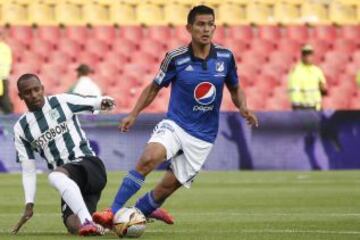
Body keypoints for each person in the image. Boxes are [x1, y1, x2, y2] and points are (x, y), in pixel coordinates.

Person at [93, 5, 258, 228]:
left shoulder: (226, 57)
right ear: (189, 28)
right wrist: (133, 114)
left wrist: (243, 107)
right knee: (149, 157)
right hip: (176, 124)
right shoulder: (175, 58)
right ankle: (111, 213)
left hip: (203, 136)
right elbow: (153, 88)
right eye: (201, 24)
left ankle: (137, 214)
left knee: (166, 188)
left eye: (210, 24)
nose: (206, 29)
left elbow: (235, 88)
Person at [12, 73, 114, 236]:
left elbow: (95, 101)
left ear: (42, 89)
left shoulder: (62, 101)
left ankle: (88, 221)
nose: (34, 95)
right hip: (69, 182)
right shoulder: (21, 128)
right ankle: (115, 221)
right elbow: (29, 170)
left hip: (89, 165)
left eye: (36, 89)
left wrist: (105, 102)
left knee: (54, 177)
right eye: (28, 92)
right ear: (20, 96)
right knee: (74, 226)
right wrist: (29, 204)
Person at [288, 44, 327, 111]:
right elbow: (294, 91)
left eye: (310, 55)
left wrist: (323, 89)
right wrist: (296, 107)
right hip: (304, 107)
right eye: (306, 55)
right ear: (302, 56)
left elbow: (323, 88)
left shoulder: (317, 70)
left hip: (317, 107)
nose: (308, 57)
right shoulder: (297, 71)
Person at [0, 29, 13, 114]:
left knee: (5, 101)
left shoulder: (5, 48)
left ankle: (8, 119)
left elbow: (7, 63)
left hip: (3, 77)